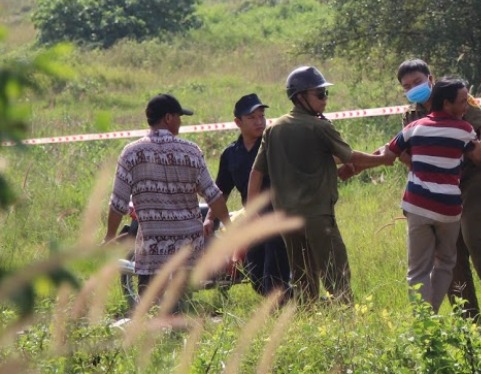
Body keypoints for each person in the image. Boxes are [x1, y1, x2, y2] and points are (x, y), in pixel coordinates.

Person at [248, 66, 391, 305]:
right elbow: (351, 157)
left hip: (285, 217)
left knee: (303, 277)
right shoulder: (320, 127)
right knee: (336, 273)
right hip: (317, 215)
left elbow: (256, 172)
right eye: (320, 94)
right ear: (300, 96)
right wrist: (383, 160)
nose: (325, 99)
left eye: (326, 93)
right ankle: (346, 322)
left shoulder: (274, 128)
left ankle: (308, 320)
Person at [397, 59, 481, 320]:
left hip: (473, 180)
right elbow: (404, 154)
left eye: (417, 82)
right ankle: (469, 321)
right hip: (441, 191)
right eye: (407, 86)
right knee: (450, 254)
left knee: (476, 240)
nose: (413, 88)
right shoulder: (411, 117)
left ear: (430, 78)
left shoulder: (455, 97)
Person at [105, 93, 231, 301]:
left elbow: (118, 203)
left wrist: (109, 236)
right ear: (168, 118)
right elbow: (214, 196)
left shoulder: (131, 153)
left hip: (152, 248)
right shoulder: (191, 152)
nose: (181, 122)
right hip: (187, 249)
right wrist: (229, 225)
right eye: (179, 117)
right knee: (181, 306)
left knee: (151, 307)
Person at [383, 77, 481, 311]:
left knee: (417, 269)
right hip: (448, 210)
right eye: (462, 102)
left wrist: (353, 164)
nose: (466, 107)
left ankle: (424, 320)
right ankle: (430, 313)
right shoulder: (465, 130)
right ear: (446, 104)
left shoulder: (413, 127)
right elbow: (478, 155)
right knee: (446, 264)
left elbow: (390, 153)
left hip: (418, 205)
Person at [207, 93, 289, 297]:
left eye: (261, 116)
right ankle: (304, 301)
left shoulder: (274, 146)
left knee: (274, 278)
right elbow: (221, 191)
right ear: (238, 122)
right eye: (252, 117)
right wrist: (209, 218)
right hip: (252, 220)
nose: (259, 121)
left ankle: (293, 311)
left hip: (278, 217)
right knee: (257, 279)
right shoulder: (231, 154)